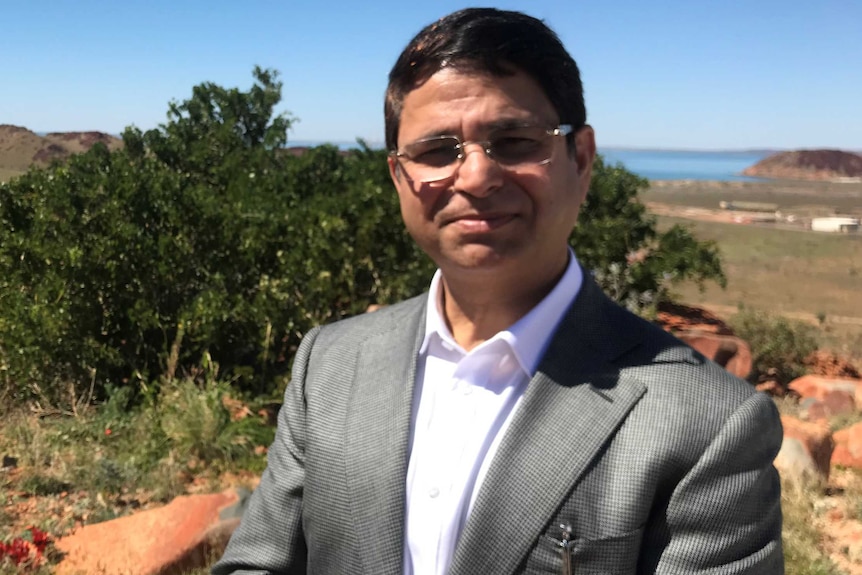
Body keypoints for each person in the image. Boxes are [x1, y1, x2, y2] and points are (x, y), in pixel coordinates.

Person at [213, 8, 783, 575]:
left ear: (580, 159)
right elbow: (259, 563)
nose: (477, 177)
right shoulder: (331, 364)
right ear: (399, 179)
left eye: (513, 141)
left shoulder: (706, 424)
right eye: (436, 152)